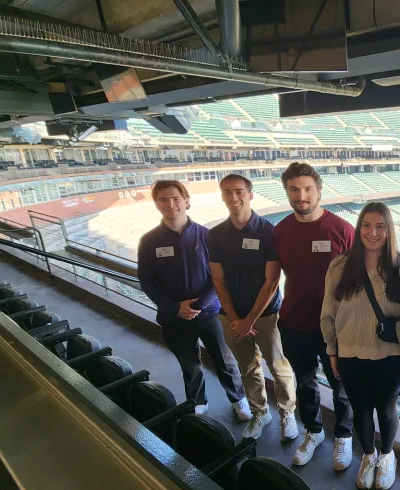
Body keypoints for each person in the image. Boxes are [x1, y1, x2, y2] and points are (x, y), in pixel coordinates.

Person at [137, 179, 250, 420]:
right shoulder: (149, 241)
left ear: (186, 201)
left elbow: (219, 277)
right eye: (163, 199)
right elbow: (146, 281)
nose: (170, 204)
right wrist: (174, 308)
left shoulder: (208, 237)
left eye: (176, 198)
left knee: (225, 361)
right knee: (188, 364)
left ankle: (238, 399)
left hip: (210, 314)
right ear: (156, 204)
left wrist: (197, 306)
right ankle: (197, 401)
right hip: (173, 317)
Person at [273, 162, 355, 470]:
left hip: (335, 326)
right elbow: (272, 278)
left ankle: (344, 435)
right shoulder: (280, 231)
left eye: (307, 189)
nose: (301, 196)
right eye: (294, 190)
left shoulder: (342, 230)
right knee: (304, 383)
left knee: (341, 385)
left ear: (319, 190)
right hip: (295, 324)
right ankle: (314, 430)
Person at [321, 202, 400, 490]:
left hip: (390, 355)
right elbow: (328, 312)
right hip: (350, 353)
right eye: (366, 225)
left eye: (380, 226)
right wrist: (332, 350)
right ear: (358, 229)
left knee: (387, 408)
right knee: (361, 409)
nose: (373, 232)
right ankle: (368, 455)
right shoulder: (340, 265)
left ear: (389, 230)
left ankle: (387, 455)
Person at [207, 173, 298, 441]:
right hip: (231, 316)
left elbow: (271, 282)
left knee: (279, 367)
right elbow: (218, 280)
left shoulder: (268, 232)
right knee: (247, 367)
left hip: (266, 315)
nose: (233, 197)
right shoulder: (216, 234)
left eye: (238, 191)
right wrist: (235, 318)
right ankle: (260, 412)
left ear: (250, 195)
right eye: (227, 192)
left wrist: (250, 320)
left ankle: (287, 412)